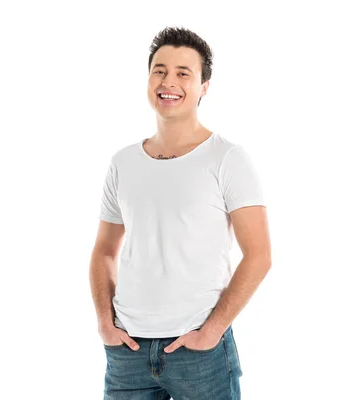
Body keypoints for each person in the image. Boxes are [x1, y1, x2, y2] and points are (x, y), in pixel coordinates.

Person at [89, 26, 272, 400]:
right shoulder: (123, 162)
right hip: (128, 351)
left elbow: (260, 255)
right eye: (159, 70)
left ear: (204, 86)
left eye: (183, 73)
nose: (168, 81)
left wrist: (213, 330)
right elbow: (105, 250)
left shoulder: (228, 159)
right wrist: (106, 324)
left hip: (199, 351)